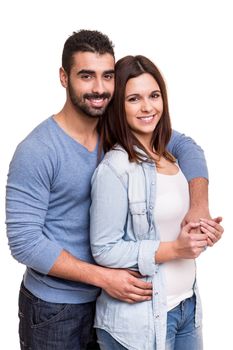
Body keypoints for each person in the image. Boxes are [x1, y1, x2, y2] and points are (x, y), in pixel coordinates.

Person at [5, 30, 220, 350]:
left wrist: (198, 205)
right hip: (57, 309)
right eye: (86, 76)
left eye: (107, 76)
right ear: (64, 77)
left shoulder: (118, 125)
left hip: (119, 303)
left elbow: (185, 146)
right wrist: (104, 277)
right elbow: (24, 242)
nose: (99, 88)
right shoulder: (38, 149)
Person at [90, 55, 224, 350]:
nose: (148, 107)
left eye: (154, 95)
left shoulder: (169, 156)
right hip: (139, 322)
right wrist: (176, 249)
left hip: (186, 306)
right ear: (118, 107)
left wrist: (201, 231)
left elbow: (172, 225)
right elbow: (104, 248)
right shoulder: (115, 169)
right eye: (134, 99)